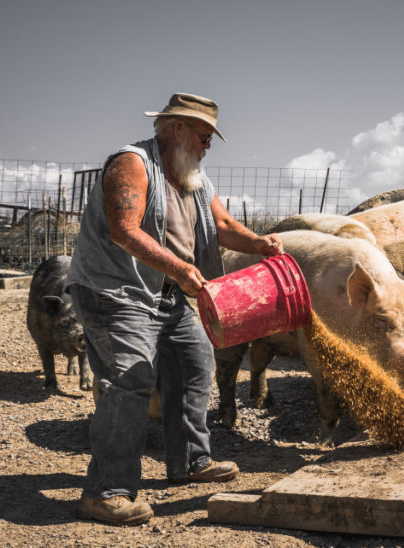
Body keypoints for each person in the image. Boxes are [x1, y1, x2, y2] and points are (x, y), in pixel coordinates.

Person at [66, 92, 283, 526]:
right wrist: (182, 268)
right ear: (177, 128)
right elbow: (124, 231)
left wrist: (259, 244)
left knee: (195, 361)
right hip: (115, 292)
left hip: (165, 293)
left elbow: (221, 225)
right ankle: (105, 491)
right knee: (130, 379)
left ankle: (188, 462)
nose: (207, 146)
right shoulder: (131, 164)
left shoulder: (193, 176)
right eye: (204, 136)